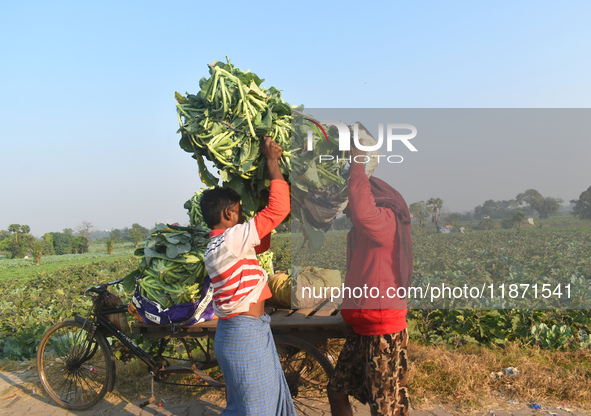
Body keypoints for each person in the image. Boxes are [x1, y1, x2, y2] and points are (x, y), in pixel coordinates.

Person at [200, 137, 295, 416]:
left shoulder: (217, 245)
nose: (242, 219)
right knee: (256, 410)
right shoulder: (231, 239)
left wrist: (263, 199)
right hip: (244, 333)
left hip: (244, 330)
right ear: (228, 212)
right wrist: (272, 163)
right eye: (239, 212)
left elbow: (262, 242)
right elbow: (279, 210)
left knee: (252, 405)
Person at [328, 145, 413, 416]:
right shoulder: (360, 233)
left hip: (382, 329)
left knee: (385, 406)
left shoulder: (386, 221)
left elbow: (364, 212)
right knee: (337, 390)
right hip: (362, 326)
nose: (348, 213)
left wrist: (357, 166)